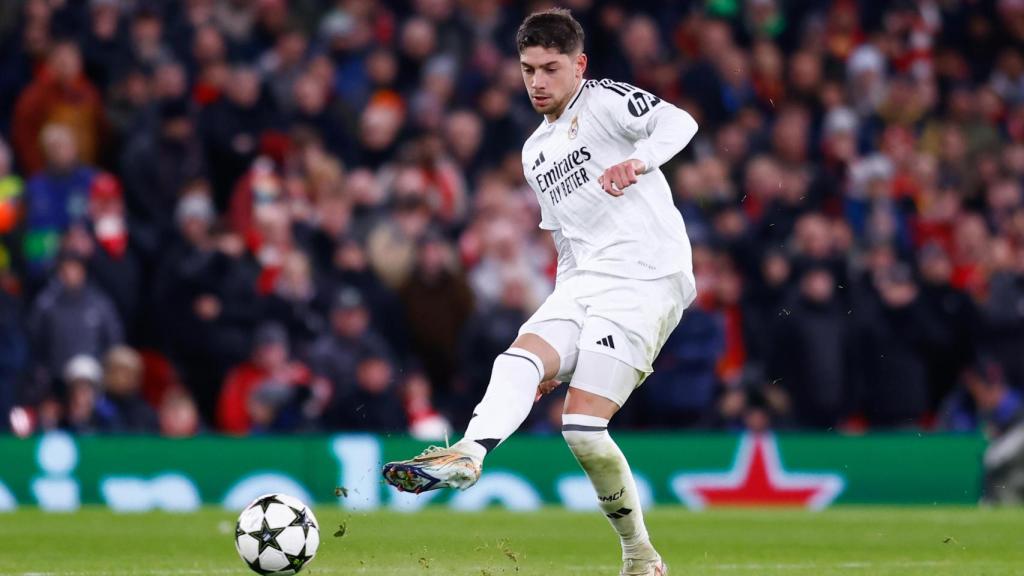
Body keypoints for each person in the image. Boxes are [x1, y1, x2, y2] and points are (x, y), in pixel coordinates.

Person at [382, 10, 698, 576]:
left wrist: (638, 160)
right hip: (586, 280)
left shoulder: (603, 101)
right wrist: (564, 336)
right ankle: (470, 453)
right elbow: (569, 246)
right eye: (528, 70)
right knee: (521, 357)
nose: (538, 82)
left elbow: (680, 124)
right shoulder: (535, 153)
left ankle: (640, 554)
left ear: (579, 65)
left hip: (648, 277)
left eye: (551, 68)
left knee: (581, 429)